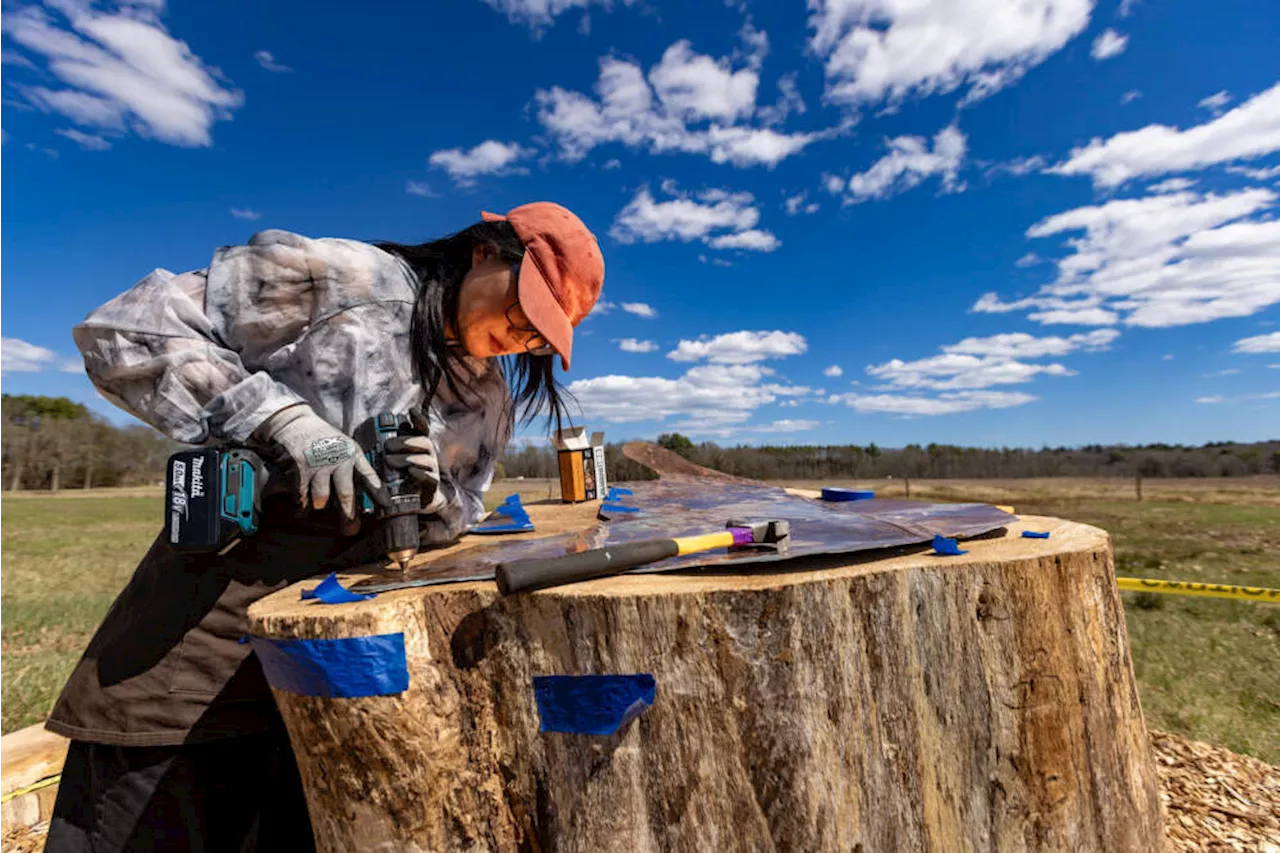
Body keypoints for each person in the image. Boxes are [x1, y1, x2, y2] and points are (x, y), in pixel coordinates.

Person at [43, 202, 605, 851]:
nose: (523, 334)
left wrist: (432, 501)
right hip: (204, 642)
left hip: (329, 671)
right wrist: (284, 421)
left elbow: (467, 508)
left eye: (542, 332)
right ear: (483, 251)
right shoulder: (346, 280)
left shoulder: (486, 395)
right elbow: (127, 330)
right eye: (524, 305)